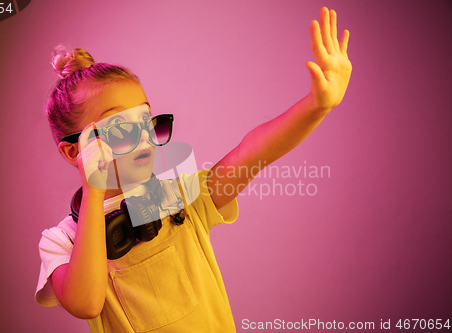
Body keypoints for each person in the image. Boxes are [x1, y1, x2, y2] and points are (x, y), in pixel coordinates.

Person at [35, 7, 351, 333]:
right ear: (74, 150)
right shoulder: (61, 242)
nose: (145, 139)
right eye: (121, 128)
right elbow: (86, 302)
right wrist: (93, 189)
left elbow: (253, 151)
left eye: (147, 122)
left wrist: (316, 106)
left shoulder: (180, 196)